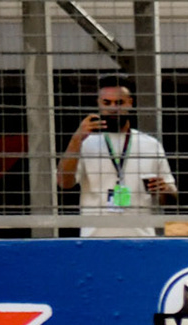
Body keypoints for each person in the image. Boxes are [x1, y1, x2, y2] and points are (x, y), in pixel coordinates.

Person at [57, 73, 175, 237]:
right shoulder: (85, 143)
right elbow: (64, 183)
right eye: (107, 102)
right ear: (99, 103)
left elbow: (171, 197)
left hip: (141, 238)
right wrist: (76, 139)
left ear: (130, 103)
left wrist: (163, 190)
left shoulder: (150, 144)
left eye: (119, 102)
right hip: (94, 239)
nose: (113, 108)